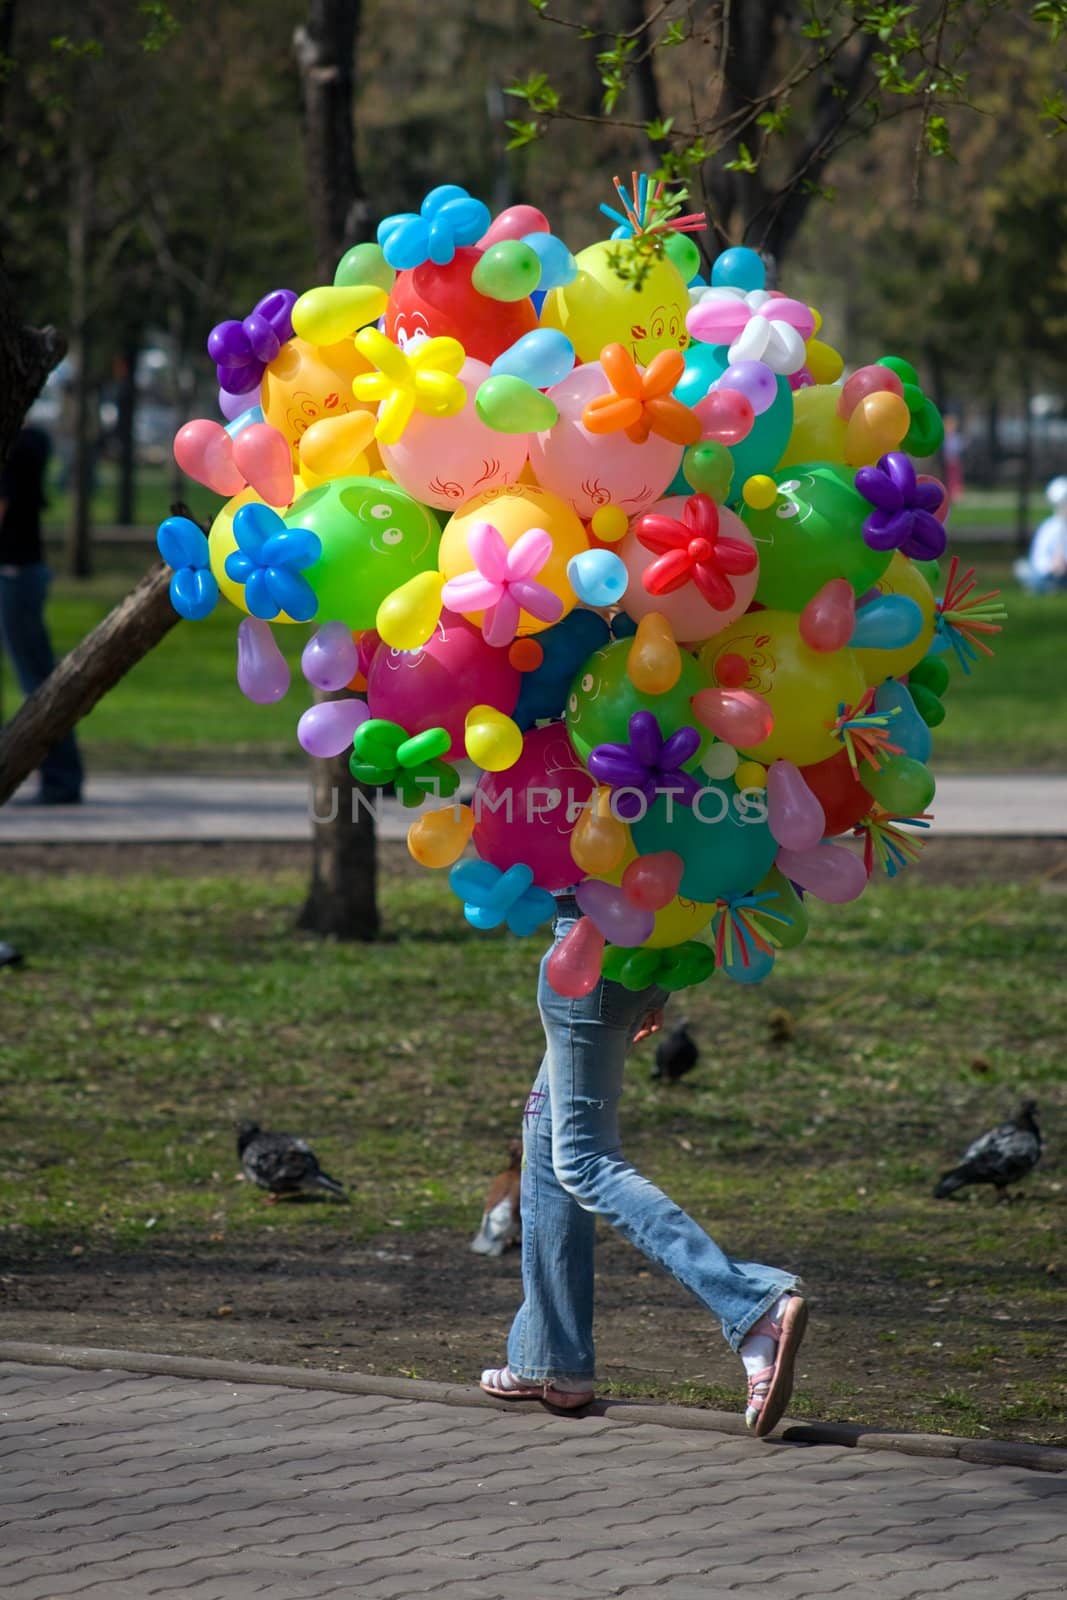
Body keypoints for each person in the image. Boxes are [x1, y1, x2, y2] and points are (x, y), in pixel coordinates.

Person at [480, 893, 807, 1437]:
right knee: (545, 1136)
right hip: (642, 945)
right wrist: (656, 977)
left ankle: (754, 1306)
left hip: (590, 950)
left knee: (584, 1159)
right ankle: (550, 1358)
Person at [0, 426, 83, 804]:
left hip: (14, 576)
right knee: (37, 676)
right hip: (21, 575)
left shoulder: (14, 443)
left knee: (37, 680)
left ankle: (61, 778)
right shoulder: (29, 439)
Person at [1015, 476, 1067, 595]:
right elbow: (1039, 557)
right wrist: (1051, 567)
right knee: (1037, 577)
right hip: (1050, 573)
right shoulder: (1049, 527)